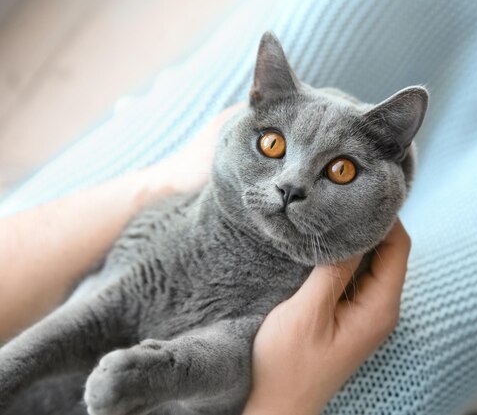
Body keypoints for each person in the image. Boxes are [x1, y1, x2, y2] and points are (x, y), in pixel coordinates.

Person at [0, 104, 411, 415]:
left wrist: (172, 370)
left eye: (340, 170)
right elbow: (102, 311)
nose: (290, 185)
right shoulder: (177, 225)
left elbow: (236, 351)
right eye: (273, 145)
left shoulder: (320, 290)